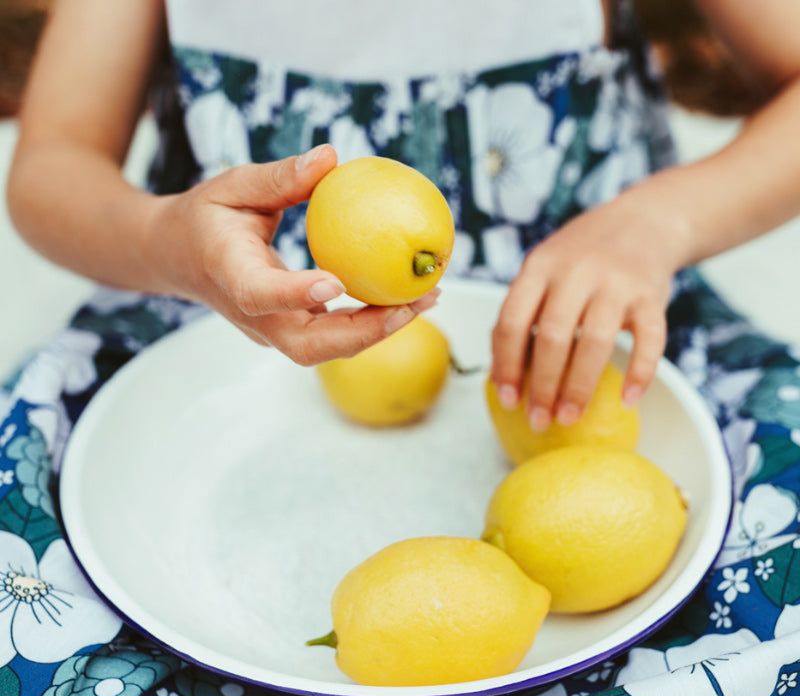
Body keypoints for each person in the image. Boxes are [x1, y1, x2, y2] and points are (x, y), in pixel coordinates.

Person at [7, 1, 800, 432]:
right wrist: (160, 242)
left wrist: (659, 223)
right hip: (213, 320)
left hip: (593, 328)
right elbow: (52, 166)